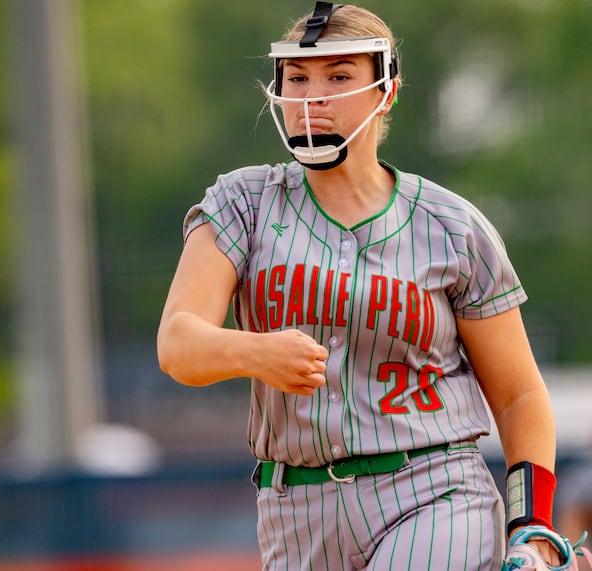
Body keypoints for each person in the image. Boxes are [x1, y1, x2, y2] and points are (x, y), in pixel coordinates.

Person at [157, 2, 565, 569]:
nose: (311, 96)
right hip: (293, 505)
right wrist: (254, 351)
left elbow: (520, 395)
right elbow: (179, 345)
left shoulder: (452, 225)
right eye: (297, 78)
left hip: (433, 488)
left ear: (386, 92)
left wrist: (534, 526)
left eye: (339, 76)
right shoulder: (243, 203)